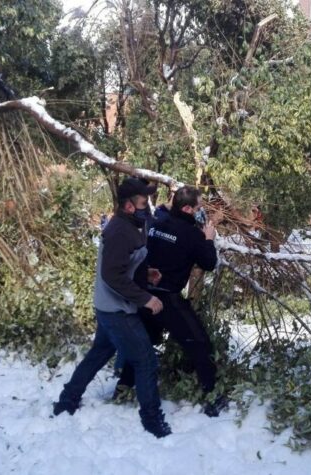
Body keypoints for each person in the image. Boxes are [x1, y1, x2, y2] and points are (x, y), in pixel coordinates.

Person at [52, 177, 172, 438]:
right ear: (129, 206)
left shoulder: (133, 224)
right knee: (146, 361)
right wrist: (145, 298)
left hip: (108, 306)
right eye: (143, 202)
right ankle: (152, 420)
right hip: (117, 311)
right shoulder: (119, 230)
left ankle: (67, 400)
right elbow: (112, 276)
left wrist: (146, 273)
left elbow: (124, 267)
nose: (147, 206)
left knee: (98, 354)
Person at [115, 186, 227, 417]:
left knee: (142, 342)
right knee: (200, 343)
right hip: (168, 300)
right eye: (198, 207)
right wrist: (208, 239)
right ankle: (213, 396)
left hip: (144, 296)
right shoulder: (191, 234)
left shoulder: (157, 225)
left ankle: (122, 389)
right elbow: (208, 263)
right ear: (187, 208)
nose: (201, 211)